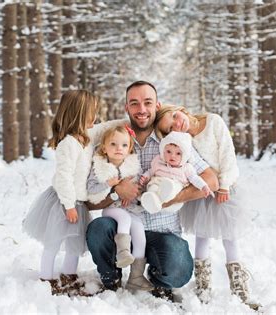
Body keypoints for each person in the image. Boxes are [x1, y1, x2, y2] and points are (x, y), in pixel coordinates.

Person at [85, 81, 219, 301]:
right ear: (126, 108)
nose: (141, 109)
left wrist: (168, 199)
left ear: (158, 105)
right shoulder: (115, 142)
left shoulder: (173, 141)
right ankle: (111, 277)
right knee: (98, 228)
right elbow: (89, 202)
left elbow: (211, 180)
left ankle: (156, 278)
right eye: (134, 103)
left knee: (178, 271)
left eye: (147, 102)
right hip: (123, 227)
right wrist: (117, 190)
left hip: (163, 230)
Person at [155, 105, 259, 309]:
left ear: (181, 109)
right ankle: (203, 285)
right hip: (202, 192)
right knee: (201, 237)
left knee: (230, 238)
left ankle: (239, 286)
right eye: (171, 128)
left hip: (225, 189)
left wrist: (225, 185)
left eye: (175, 116)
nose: (177, 124)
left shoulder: (213, 122)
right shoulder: (184, 141)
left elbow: (228, 155)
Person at [22, 90, 98, 296]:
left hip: (78, 203)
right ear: (79, 115)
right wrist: (69, 205)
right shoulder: (69, 144)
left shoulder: (85, 139)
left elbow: (104, 128)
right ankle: (46, 278)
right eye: (92, 113)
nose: (96, 117)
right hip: (64, 203)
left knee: (74, 244)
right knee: (54, 242)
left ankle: (69, 275)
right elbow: (64, 176)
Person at [86, 125, 153, 291]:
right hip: (112, 210)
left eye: (124, 145)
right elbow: (91, 189)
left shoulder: (132, 167)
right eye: (113, 144)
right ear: (104, 148)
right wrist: (110, 186)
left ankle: (136, 276)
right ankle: (122, 252)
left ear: (130, 148)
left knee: (139, 233)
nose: (118, 149)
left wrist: (135, 190)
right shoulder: (100, 167)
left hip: (130, 209)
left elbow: (139, 187)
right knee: (124, 218)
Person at [140, 131, 212, 214]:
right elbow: (150, 171)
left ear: (184, 155)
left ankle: (166, 192)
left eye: (178, 153)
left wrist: (203, 186)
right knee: (153, 187)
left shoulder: (186, 168)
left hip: (175, 190)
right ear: (163, 151)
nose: (172, 156)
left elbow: (194, 178)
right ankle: (151, 200)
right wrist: (145, 177)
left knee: (174, 187)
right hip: (158, 183)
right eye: (168, 152)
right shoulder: (158, 162)